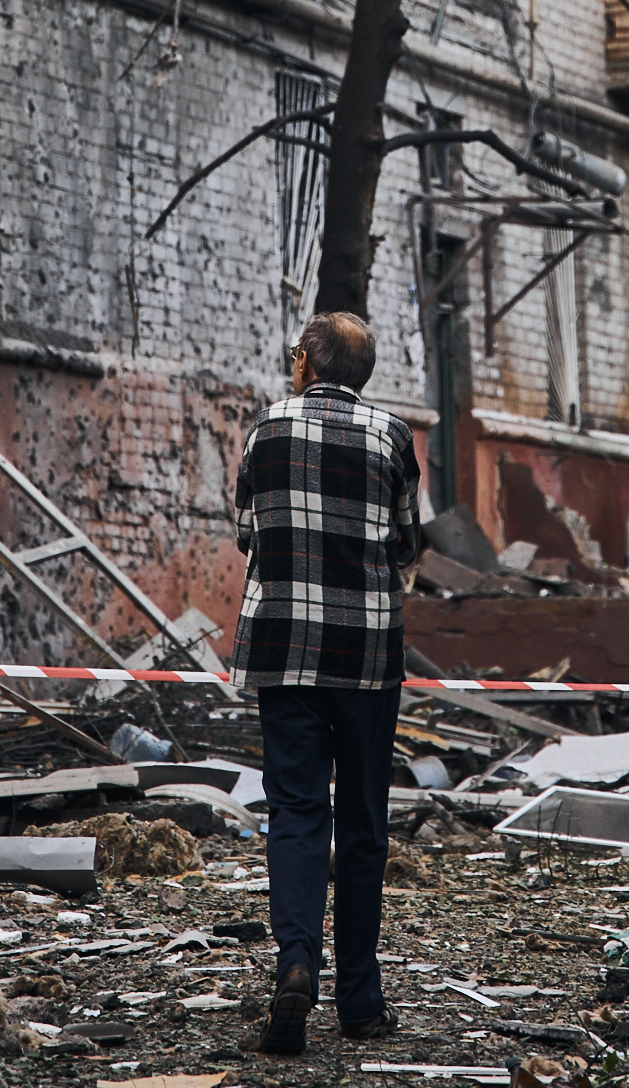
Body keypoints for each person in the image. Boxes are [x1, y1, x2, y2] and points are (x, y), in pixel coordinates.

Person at [231, 310, 424, 1056]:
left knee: (296, 812)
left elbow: (247, 530)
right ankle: (360, 1003)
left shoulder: (264, 430)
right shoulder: (391, 435)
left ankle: (295, 965)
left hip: (282, 648)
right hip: (367, 656)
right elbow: (409, 539)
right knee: (364, 825)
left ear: (307, 362)